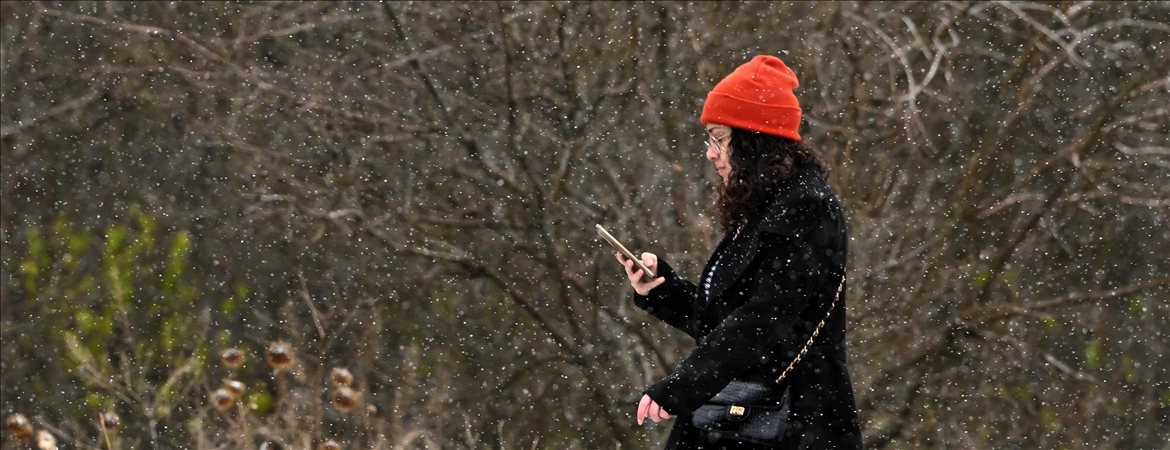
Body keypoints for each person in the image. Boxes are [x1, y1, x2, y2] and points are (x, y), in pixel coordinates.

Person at [617, 55, 864, 449]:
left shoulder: (806, 208)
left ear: (754, 141)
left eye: (719, 138)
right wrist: (660, 289)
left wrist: (683, 386)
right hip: (746, 420)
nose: (710, 153)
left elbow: (764, 321)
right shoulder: (766, 207)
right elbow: (726, 323)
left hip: (791, 424)